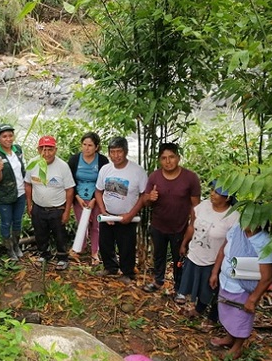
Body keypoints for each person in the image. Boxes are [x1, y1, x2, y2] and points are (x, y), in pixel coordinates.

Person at [176, 180, 240, 325]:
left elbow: (227, 246)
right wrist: (184, 244)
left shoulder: (234, 217)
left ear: (228, 197)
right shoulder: (203, 206)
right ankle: (199, 309)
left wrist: (215, 270)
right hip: (195, 254)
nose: (212, 194)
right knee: (197, 286)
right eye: (212, 190)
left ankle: (212, 318)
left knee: (211, 289)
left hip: (214, 260)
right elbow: (192, 226)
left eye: (217, 192)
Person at [143, 142, 201, 301]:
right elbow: (145, 200)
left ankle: (180, 288)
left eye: (171, 157)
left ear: (178, 158)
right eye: (164, 158)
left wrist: (192, 226)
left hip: (180, 227)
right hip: (158, 225)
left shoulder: (190, 178)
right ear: (159, 160)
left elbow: (196, 206)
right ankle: (158, 281)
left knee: (179, 258)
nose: (168, 161)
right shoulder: (154, 176)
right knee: (159, 255)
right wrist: (150, 198)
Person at [209, 222, 272, 359]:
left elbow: (267, 277)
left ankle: (237, 348)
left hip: (244, 288)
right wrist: (215, 272)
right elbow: (223, 250)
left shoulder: (264, 241)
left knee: (241, 318)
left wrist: (252, 299)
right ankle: (229, 338)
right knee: (228, 313)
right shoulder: (236, 228)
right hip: (226, 281)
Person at [94, 137, 147, 284]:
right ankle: (110, 267)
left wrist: (131, 214)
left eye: (119, 152)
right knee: (105, 243)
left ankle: (127, 273)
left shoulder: (137, 171)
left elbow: (144, 196)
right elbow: (98, 191)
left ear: (126, 152)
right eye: (112, 152)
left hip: (127, 216)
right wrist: (104, 211)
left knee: (127, 246)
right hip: (107, 215)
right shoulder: (106, 169)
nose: (116, 155)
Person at [25, 135, 75, 270]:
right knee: (40, 233)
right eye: (43, 149)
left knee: (60, 235)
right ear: (38, 150)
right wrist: (29, 204)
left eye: (50, 149)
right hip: (38, 207)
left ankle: (62, 257)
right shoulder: (33, 164)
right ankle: (44, 255)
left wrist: (67, 211)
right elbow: (28, 184)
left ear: (55, 150)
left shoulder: (62, 166)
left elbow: (70, 189)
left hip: (57, 208)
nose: (46, 153)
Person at [67, 132, 109, 265]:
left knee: (96, 226)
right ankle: (80, 247)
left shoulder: (102, 161)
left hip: (97, 197)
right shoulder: (74, 160)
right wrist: (77, 197)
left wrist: (94, 199)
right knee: (82, 224)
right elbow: (70, 181)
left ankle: (94, 252)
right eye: (84, 144)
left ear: (96, 147)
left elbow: (104, 182)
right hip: (79, 197)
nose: (87, 148)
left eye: (90, 145)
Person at [0, 123, 26, 260]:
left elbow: (24, 170)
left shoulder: (18, 150)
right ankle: (9, 249)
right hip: (4, 195)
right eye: (4, 136)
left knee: (17, 221)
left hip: (20, 192)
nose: (8, 139)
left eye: (10, 135)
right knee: (6, 222)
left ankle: (16, 245)